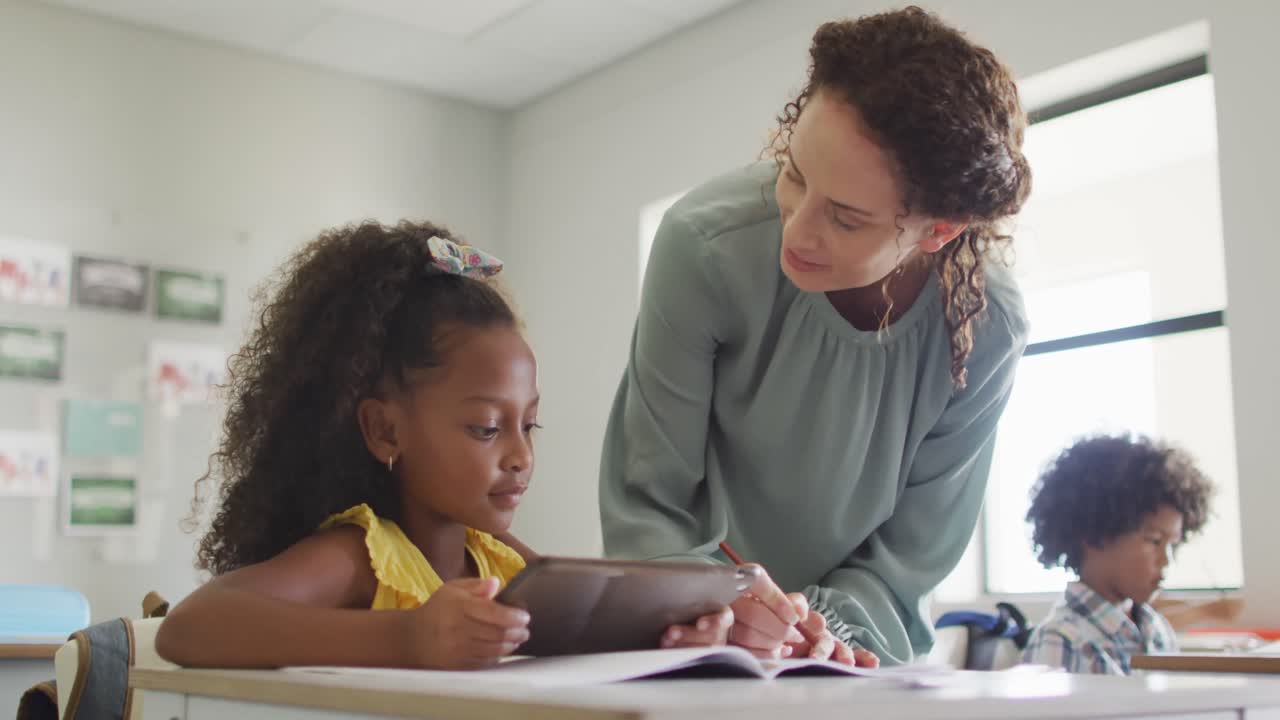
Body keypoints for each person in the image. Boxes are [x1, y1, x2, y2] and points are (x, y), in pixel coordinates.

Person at [599, 6, 1031, 666]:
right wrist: (719, 603)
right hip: (695, 636)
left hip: (851, 660)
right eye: (794, 174)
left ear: (939, 230)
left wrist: (817, 632)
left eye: (847, 218)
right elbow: (648, 500)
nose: (796, 231)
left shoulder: (987, 327)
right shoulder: (705, 247)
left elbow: (908, 560)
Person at [155, 221, 677, 669]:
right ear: (385, 430)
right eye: (488, 429)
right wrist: (409, 636)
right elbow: (189, 626)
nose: (521, 456)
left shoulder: (498, 561)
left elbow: (595, 614)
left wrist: (676, 631)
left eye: (530, 426)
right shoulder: (360, 556)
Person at [1021, 434, 1215, 675]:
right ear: (1095, 535)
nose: (1167, 560)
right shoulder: (1062, 641)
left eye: (1172, 544)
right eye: (1154, 541)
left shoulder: (1156, 630)